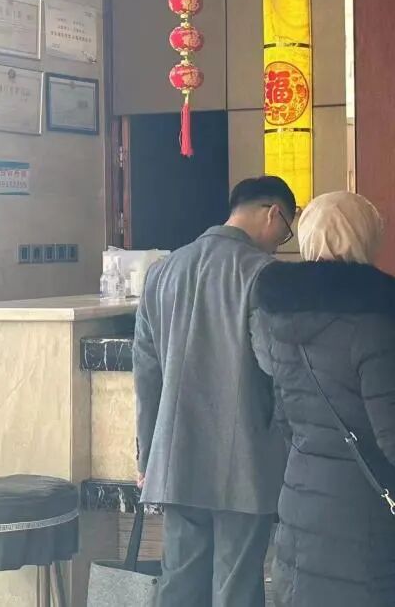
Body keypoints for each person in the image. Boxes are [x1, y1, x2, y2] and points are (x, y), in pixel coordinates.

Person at [250, 191, 395, 607]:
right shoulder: (375, 321)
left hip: (300, 501)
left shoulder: (278, 316)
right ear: (366, 236)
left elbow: (284, 416)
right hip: (364, 515)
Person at [133, 176, 297, 607]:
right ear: (273, 213)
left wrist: (147, 454)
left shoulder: (162, 272)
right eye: (285, 231)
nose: (280, 243)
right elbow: (276, 366)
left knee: (179, 584)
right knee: (236, 587)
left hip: (176, 459)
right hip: (245, 460)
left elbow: (146, 374)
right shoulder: (263, 273)